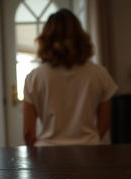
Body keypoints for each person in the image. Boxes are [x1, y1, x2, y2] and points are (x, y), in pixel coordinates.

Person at [23, 9, 118, 146]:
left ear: (46, 40)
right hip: (89, 152)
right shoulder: (100, 74)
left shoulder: (34, 77)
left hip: (48, 154)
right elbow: (104, 124)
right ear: (80, 37)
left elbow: (28, 133)